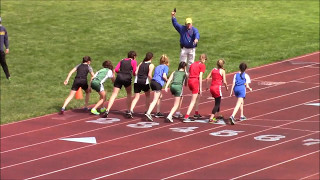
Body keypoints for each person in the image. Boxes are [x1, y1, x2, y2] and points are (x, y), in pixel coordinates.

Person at [102, 51, 137, 118]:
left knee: (114, 94)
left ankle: (107, 110)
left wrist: (120, 73)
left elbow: (116, 69)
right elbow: (134, 71)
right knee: (129, 93)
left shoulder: (122, 60)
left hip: (119, 77)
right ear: (134, 57)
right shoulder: (133, 62)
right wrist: (134, 74)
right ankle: (129, 110)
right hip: (127, 77)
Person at [128, 52, 155, 118]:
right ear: (152, 58)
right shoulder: (151, 65)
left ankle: (130, 110)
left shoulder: (141, 63)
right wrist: (153, 81)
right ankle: (146, 111)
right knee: (148, 96)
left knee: (136, 97)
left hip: (137, 81)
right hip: (144, 81)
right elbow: (149, 75)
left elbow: (136, 72)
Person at [144, 54, 170, 122]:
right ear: (167, 61)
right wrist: (167, 81)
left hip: (153, 82)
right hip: (158, 83)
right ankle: (148, 112)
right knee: (155, 99)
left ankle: (158, 112)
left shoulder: (157, 66)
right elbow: (164, 76)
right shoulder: (166, 67)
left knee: (160, 96)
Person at [183, 54, 207, 123]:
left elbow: (188, 74)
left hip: (190, 80)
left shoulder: (193, 64)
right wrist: (201, 88)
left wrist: (186, 82)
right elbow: (200, 77)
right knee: (193, 100)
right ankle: (186, 116)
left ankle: (196, 113)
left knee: (197, 97)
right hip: (195, 82)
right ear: (204, 59)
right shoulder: (202, 65)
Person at [206, 59, 228, 123]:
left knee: (217, 101)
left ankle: (218, 114)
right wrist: (227, 87)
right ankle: (211, 118)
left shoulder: (213, 69)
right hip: (217, 88)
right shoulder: (222, 71)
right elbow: (224, 81)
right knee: (217, 104)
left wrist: (207, 86)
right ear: (222, 65)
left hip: (212, 87)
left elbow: (207, 78)